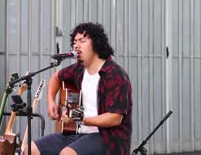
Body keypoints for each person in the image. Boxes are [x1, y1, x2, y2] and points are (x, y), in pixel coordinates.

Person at [29, 22, 132, 155]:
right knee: (30, 149)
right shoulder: (78, 70)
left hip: (107, 138)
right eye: (75, 41)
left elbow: (115, 117)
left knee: (68, 153)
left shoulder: (114, 74)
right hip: (76, 133)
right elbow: (56, 77)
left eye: (82, 41)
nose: (76, 45)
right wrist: (51, 101)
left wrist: (80, 118)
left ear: (96, 44)